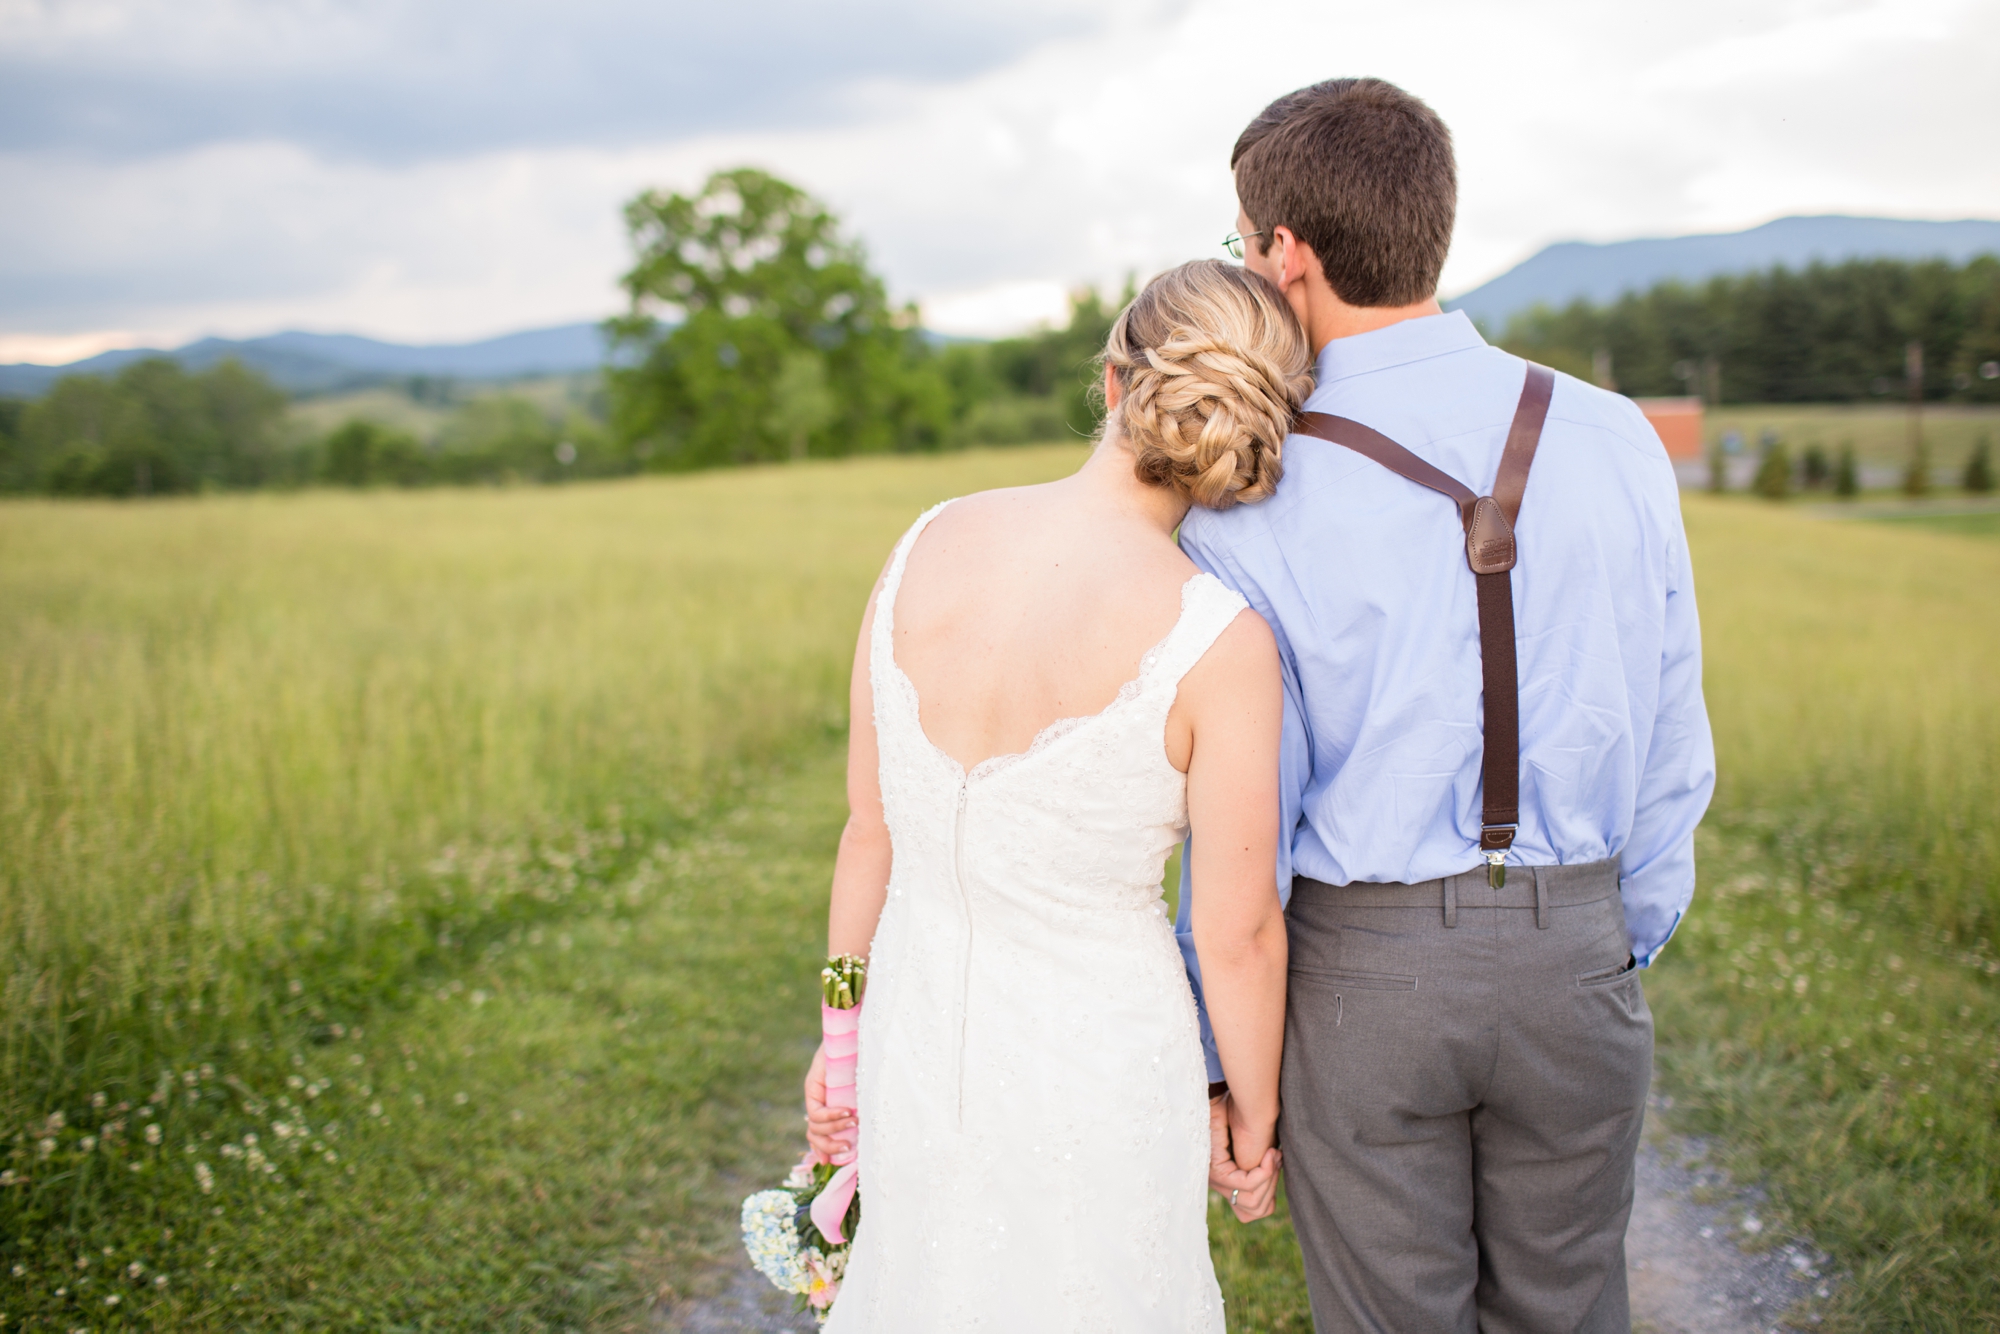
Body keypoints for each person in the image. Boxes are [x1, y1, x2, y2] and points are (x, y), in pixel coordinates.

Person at [1177, 79, 1716, 1332]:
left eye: (1243, 242)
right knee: (1570, 1305)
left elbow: (1245, 811)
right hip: (1577, 945)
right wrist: (1608, 934)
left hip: (1363, 972)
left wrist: (1228, 1057)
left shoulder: (1253, 483)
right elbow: (1670, 727)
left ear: (1286, 254)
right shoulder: (1615, 434)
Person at [800, 259, 1311, 1330]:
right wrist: (1252, 1112)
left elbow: (867, 832)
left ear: (1115, 381)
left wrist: (837, 1038)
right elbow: (1236, 931)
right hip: (1104, 1070)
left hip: (915, 1032)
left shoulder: (923, 541)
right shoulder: (1219, 639)